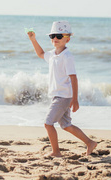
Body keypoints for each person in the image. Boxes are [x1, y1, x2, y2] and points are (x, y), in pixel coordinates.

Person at [27, 21, 97, 157]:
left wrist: (75, 99)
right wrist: (33, 40)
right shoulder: (53, 54)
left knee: (48, 123)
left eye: (59, 36)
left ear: (67, 39)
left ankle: (56, 151)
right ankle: (90, 143)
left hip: (63, 96)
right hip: (57, 95)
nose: (55, 39)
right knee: (66, 125)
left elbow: (73, 78)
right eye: (52, 36)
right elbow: (41, 53)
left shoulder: (67, 57)